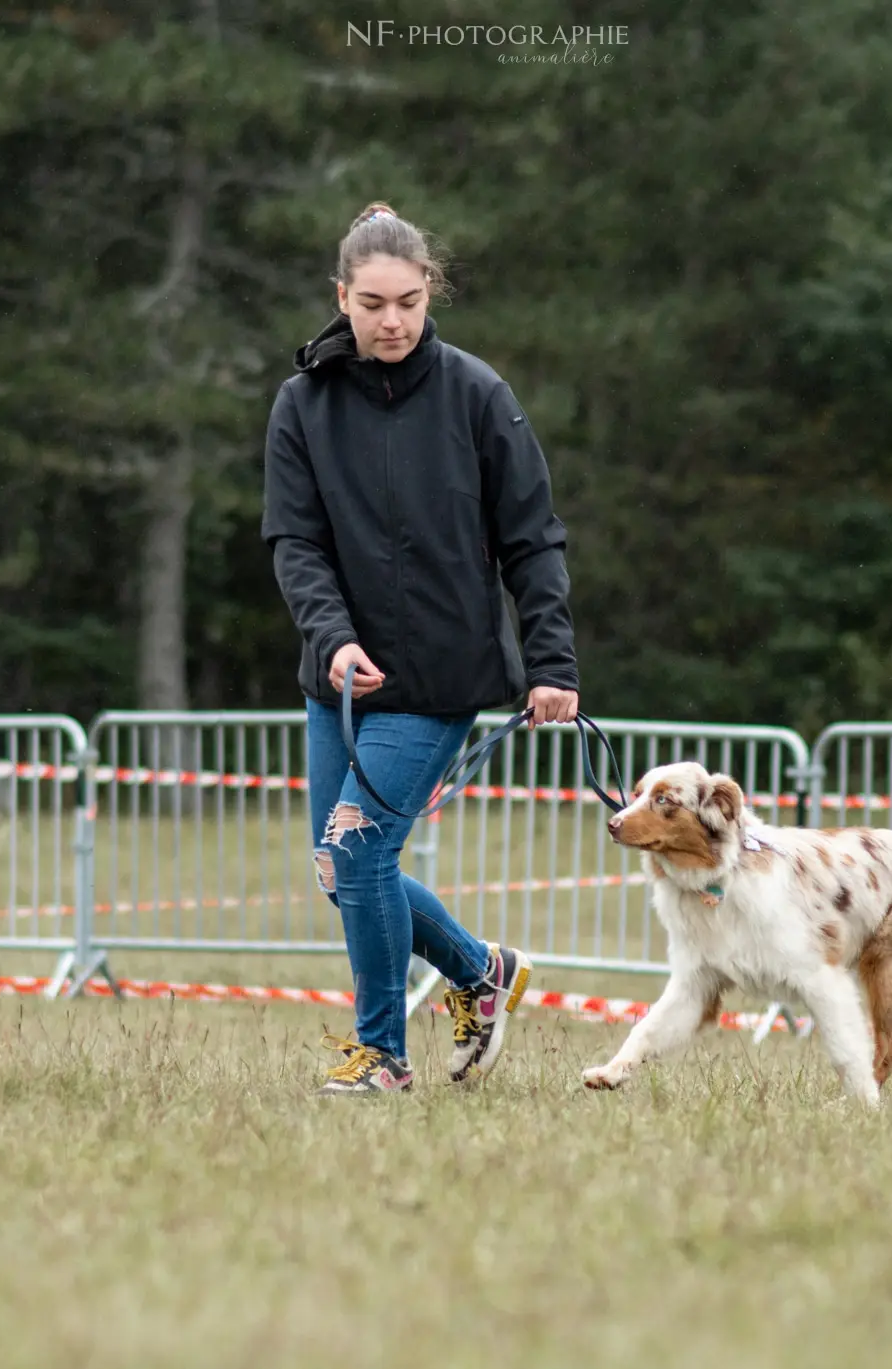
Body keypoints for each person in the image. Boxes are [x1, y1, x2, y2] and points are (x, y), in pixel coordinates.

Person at [261, 201, 581, 1095]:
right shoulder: (303, 404)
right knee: (340, 866)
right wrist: (332, 638)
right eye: (371, 303)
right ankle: (480, 971)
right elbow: (295, 542)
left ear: (430, 290)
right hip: (340, 684)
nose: (391, 321)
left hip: (440, 678)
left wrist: (553, 663)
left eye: (407, 301)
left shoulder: (479, 394)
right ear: (342, 297)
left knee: (358, 849)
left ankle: (381, 1055)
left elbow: (534, 539)